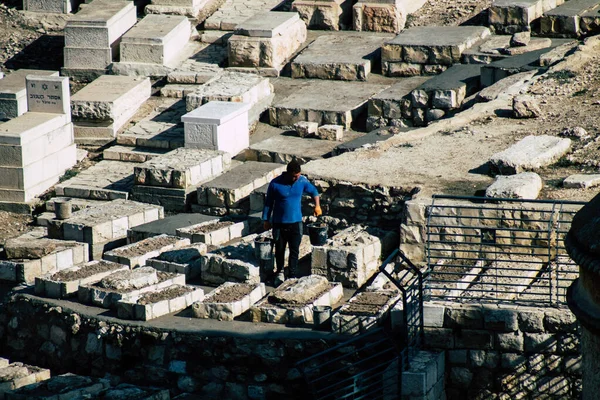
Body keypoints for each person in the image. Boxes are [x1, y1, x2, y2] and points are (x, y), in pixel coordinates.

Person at [262, 159, 321, 284]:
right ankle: (280, 272)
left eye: (298, 176)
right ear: (288, 173)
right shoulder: (275, 184)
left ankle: (292, 274)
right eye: (294, 176)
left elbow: (314, 191)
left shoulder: (302, 181)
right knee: (280, 248)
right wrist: (266, 219)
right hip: (279, 223)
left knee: (294, 249)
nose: (296, 178)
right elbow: (268, 203)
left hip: (296, 222)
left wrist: (317, 205)